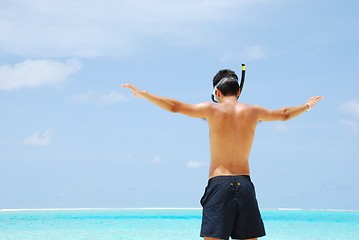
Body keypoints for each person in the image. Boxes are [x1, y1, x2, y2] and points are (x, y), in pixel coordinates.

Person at [121, 69, 323, 240]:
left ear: (217, 92)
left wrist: (144, 94)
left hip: (219, 185)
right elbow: (285, 114)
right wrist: (307, 106)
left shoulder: (211, 110)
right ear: (239, 91)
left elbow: (175, 106)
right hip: (244, 186)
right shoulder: (253, 111)